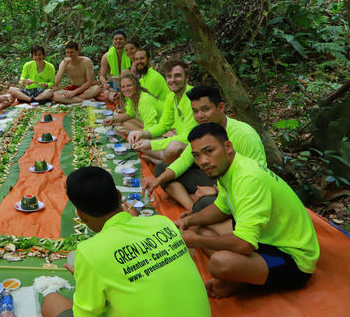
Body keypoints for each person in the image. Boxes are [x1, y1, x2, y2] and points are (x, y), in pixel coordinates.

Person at [41, 166, 210, 317]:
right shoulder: (163, 222)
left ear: (81, 215)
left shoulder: (89, 252)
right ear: (119, 196)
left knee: (51, 301)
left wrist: (84, 279)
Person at [177, 123, 320, 298]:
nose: (203, 161)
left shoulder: (248, 179)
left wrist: (197, 241)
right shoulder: (228, 169)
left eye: (209, 151)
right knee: (200, 228)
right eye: (197, 156)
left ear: (227, 147)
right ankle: (241, 278)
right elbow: (221, 208)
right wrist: (188, 221)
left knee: (219, 263)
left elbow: (244, 245)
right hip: (266, 238)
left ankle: (240, 282)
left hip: (293, 258)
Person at [144, 86, 267, 212]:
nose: (200, 116)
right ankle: (192, 208)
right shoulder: (202, 132)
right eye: (195, 111)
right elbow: (184, 161)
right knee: (161, 170)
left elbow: (258, 179)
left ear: (220, 107)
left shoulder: (244, 135)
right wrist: (156, 181)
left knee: (206, 203)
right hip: (213, 178)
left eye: (205, 109)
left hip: (239, 189)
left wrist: (215, 190)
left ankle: (200, 208)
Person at [128, 60, 197, 164]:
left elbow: (188, 137)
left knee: (173, 147)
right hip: (179, 141)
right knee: (141, 140)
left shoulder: (194, 99)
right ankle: (162, 160)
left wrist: (152, 145)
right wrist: (142, 134)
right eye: (169, 76)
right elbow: (163, 126)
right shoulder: (171, 96)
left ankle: (161, 161)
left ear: (186, 78)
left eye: (177, 76)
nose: (172, 80)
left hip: (195, 146)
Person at [99, 30, 132, 103]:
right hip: (112, 85)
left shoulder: (130, 55)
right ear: (112, 41)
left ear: (125, 41)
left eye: (120, 39)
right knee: (107, 94)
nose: (118, 41)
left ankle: (122, 97)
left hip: (127, 84)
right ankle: (119, 97)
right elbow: (102, 76)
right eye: (115, 39)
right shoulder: (106, 57)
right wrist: (106, 85)